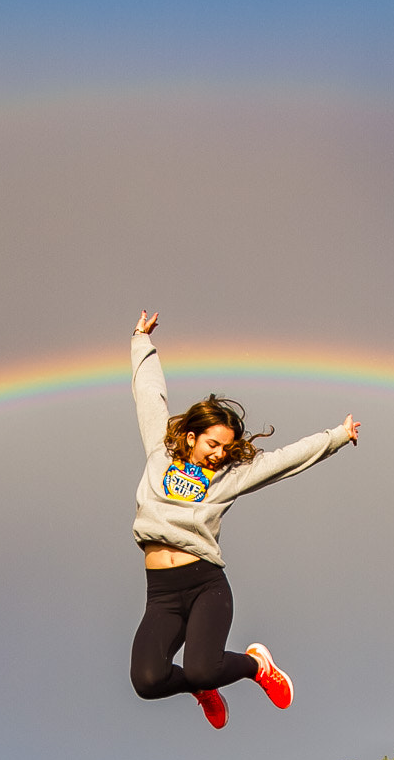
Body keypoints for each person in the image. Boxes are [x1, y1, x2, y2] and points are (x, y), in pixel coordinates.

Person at [127, 311, 360, 728]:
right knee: (147, 680)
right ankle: (204, 687)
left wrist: (336, 436)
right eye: (212, 443)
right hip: (161, 592)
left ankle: (257, 667)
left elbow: (286, 460)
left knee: (201, 665)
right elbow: (149, 395)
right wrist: (141, 342)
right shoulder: (159, 453)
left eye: (225, 447)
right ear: (192, 435)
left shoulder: (231, 476)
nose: (218, 453)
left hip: (204, 585)